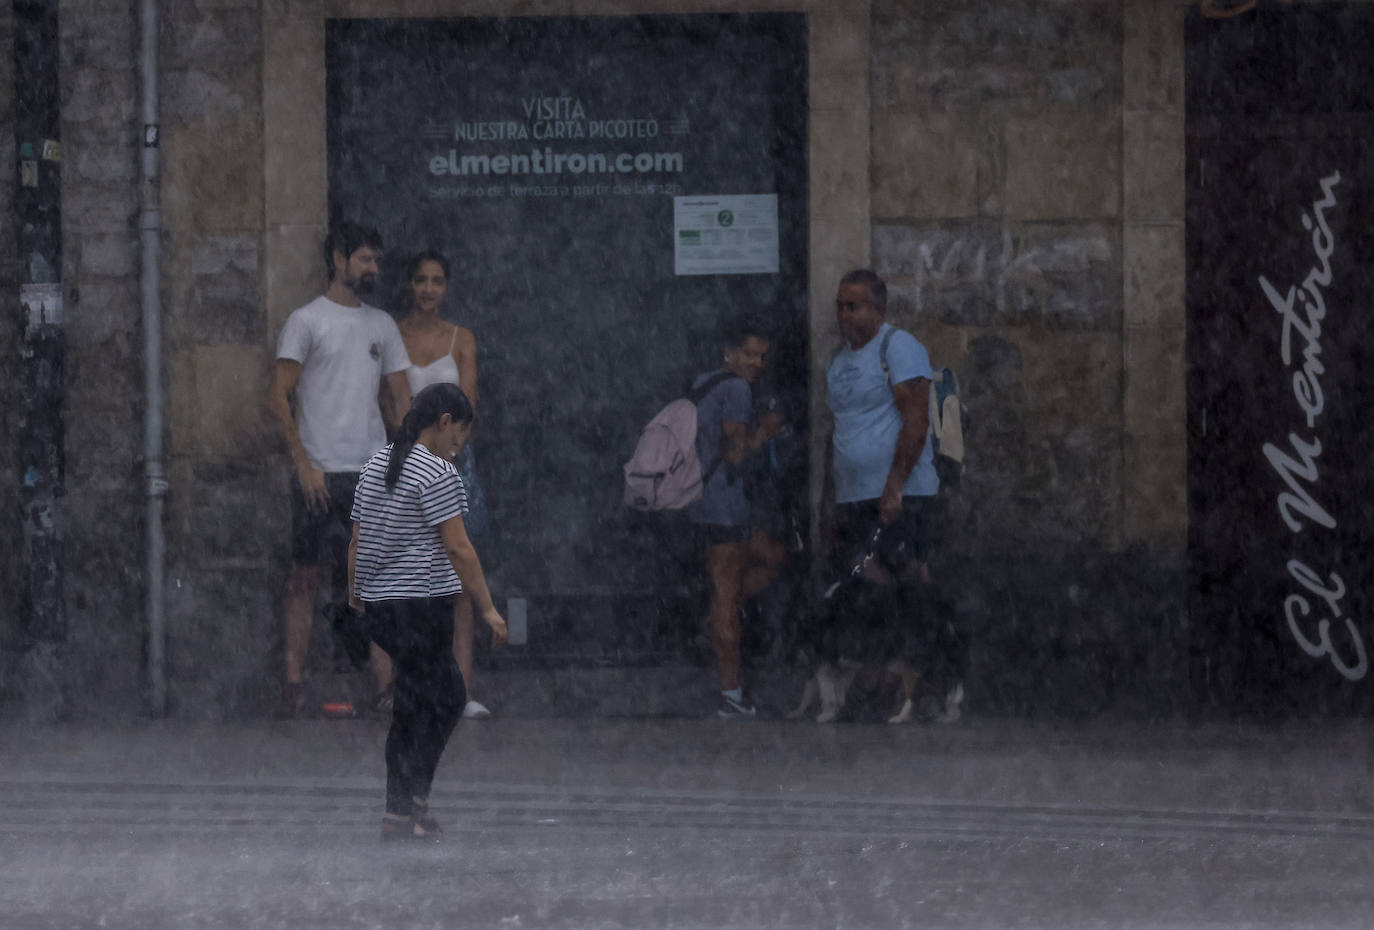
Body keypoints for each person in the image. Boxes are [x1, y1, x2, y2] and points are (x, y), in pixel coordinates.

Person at [347, 382, 508, 840]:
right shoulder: (437, 473)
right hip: (420, 605)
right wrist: (489, 609)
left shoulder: (376, 464)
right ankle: (402, 811)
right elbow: (458, 547)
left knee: (427, 700)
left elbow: (357, 542)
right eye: (458, 436)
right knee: (429, 703)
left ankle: (409, 804)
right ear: (443, 424)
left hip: (384, 606)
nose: (458, 447)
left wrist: (356, 597)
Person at [264, 220, 412, 718]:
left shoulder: (383, 325)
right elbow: (278, 396)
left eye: (376, 260)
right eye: (365, 259)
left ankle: (388, 686)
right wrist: (303, 465)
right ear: (338, 259)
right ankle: (292, 687)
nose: (373, 269)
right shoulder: (307, 321)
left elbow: (398, 399)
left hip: (369, 471)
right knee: (304, 578)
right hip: (318, 471)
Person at [825, 268, 963, 722]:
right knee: (869, 583)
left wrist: (894, 487)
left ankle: (942, 679)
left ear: (878, 308)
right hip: (854, 500)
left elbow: (916, 421)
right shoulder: (839, 362)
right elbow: (841, 433)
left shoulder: (898, 347)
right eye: (841, 305)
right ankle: (891, 679)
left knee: (913, 585)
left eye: (855, 305)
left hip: (901, 497)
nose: (845, 314)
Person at [377, 248, 491, 720]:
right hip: (404, 464)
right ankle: (398, 689)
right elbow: (388, 400)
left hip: (453, 464)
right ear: (409, 284)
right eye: (421, 279)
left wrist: (446, 450)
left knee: (459, 581)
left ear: (447, 287)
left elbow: (467, 406)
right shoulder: (391, 335)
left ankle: (460, 690)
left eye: (437, 281)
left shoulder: (462, 338)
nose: (428, 289)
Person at [687, 317, 786, 718]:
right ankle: (732, 694)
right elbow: (735, 453)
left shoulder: (702, 383)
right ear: (728, 352)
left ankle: (714, 622)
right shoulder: (737, 389)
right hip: (724, 506)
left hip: (705, 503)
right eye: (749, 354)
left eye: (762, 357)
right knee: (728, 592)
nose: (757, 363)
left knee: (774, 557)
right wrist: (766, 430)